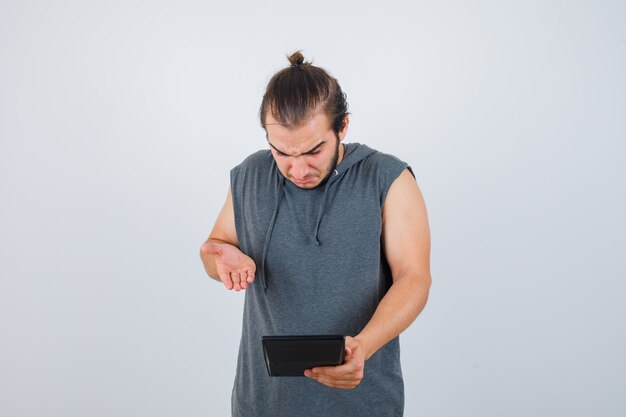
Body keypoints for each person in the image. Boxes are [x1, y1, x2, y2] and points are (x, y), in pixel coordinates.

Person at [199, 50, 431, 417]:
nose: (298, 168)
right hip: (261, 403)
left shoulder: (388, 177)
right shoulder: (250, 175)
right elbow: (215, 250)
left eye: (313, 151)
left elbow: (414, 278)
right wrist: (221, 259)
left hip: (363, 404)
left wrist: (361, 349)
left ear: (343, 127)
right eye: (282, 153)